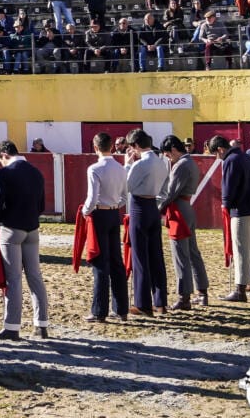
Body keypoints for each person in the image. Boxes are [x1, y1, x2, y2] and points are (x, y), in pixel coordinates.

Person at [0, 141, 48, 341]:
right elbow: (41, 204)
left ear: (5, 154)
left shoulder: (6, 173)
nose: (1, 165)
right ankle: (41, 325)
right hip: (32, 229)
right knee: (35, 276)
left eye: (1, 161)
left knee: (13, 279)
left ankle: (12, 326)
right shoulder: (36, 172)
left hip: (12, 229)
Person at [211, 134, 250, 302]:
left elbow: (228, 187)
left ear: (221, 149)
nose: (217, 157)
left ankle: (240, 290)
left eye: (216, 153)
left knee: (240, 250)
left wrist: (225, 204)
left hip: (241, 210)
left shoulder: (231, 160)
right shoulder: (247, 158)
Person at [156, 136, 210, 309]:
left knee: (181, 255)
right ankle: (202, 292)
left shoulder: (181, 165)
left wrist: (157, 209)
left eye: (167, 154)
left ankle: (184, 297)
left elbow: (171, 193)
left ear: (173, 149)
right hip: (186, 208)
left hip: (179, 211)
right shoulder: (190, 162)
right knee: (193, 252)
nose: (168, 157)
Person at [81, 132, 128, 323]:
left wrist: (85, 211)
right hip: (113, 213)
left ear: (95, 147)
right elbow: (125, 196)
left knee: (100, 262)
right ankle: (121, 309)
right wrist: (115, 204)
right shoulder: (121, 168)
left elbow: (92, 198)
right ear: (112, 146)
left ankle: (100, 310)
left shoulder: (95, 168)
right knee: (116, 261)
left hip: (99, 214)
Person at [124, 131, 168, 317]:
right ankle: (161, 302)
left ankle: (143, 304)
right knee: (156, 255)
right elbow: (164, 190)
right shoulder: (161, 162)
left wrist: (127, 165)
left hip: (139, 206)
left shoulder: (140, 163)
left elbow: (126, 185)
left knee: (140, 257)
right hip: (153, 206)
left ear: (135, 146)